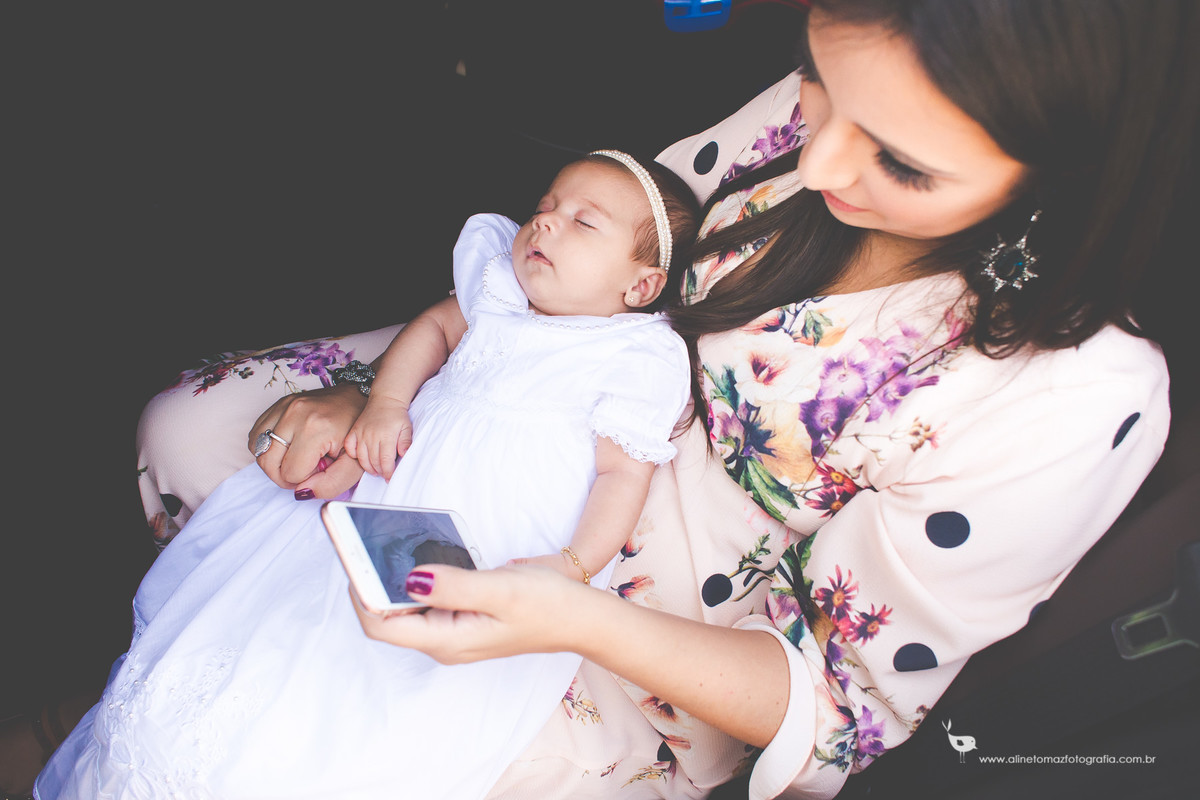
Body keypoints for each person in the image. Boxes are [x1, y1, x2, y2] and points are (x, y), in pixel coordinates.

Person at [49, 0, 1198, 798]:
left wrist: (574, 614)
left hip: (634, 631)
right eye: (816, 86)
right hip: (541, 378)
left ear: (1069, 169)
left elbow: (845, 708)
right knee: (196, 431)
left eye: (899, 165)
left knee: (321, 735)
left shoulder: (1075, 393)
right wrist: (396, 387)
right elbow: (603, 239)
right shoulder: (834, 114)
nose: (813, 163)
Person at [33, 151, 700, 799]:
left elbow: (621, 475)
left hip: (489, 534)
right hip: (393, 494)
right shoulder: (500, 296)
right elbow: (433, 331)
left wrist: (576, 567)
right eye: (544, 208)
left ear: (639, 286)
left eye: (584, 222)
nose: (546, 223)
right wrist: (384, 403)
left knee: (389, 679)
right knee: (296, 608)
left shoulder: (634, 355)